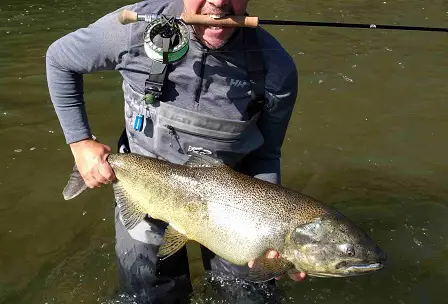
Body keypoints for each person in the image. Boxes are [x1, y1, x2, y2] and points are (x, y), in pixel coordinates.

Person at [46, 0, 305, 302]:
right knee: (151, 296)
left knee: (248, 296)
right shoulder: (134, 28)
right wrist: (80, 143)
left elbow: (266, 155)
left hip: (231, 207)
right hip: (144, 190)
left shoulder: (276, 68)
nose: (219, 1)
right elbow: (59, 59)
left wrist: (275, 232)